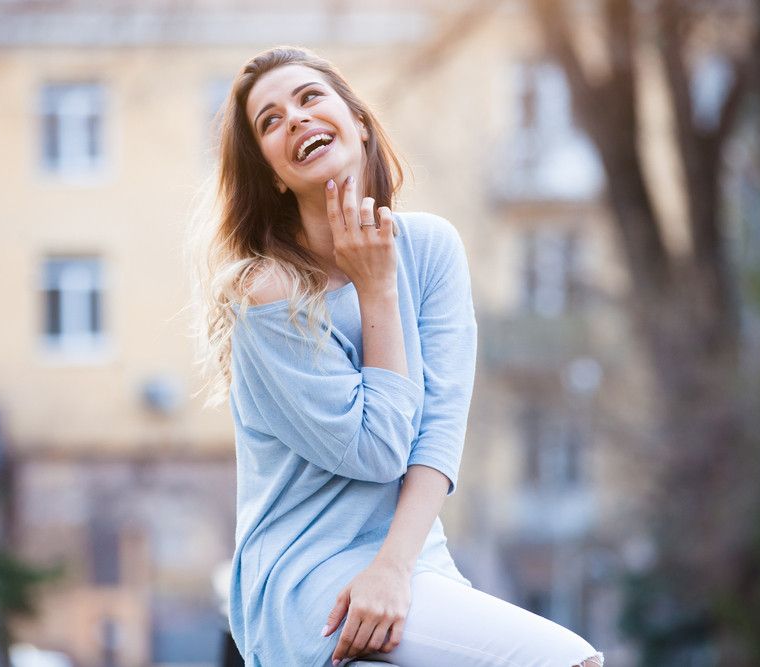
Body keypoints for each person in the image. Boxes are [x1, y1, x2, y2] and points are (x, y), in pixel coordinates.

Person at [185, 44, 605, 667]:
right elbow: (377, 450)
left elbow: (438, 428)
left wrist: (395, 568)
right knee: (563, 661)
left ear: (356, 120)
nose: (295, 119)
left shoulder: (432, 248)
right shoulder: (266, 291)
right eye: (269, 122)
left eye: (309, 98)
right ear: (272, 172)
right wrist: (376, 288)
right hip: (311, 577)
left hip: (410, 562)